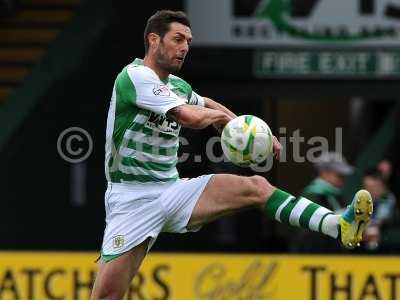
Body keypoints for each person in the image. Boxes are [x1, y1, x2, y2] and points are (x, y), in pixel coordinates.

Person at [90, 10, 374, 299]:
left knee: (256, 187)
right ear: (153, 40)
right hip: (132, 200)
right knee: (107, 296)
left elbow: (206, 103)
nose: (184, 47)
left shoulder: (177, 86)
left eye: (188, 41)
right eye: (177, 39)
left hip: (171, 190)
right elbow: (190, 116)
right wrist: (225, 122)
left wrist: (250, 129)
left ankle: (338, 225)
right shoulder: (135, 76)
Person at [289, 152, 353, 253]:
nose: (342, 180)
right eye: (339, 175)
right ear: (324, 172)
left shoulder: (338, 197)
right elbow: (306, 232)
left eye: (343, 176)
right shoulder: (311, 195)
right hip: (313, 255)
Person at [362, 168, 397, 250]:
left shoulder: (387, 198)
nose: (368, 191)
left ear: (382, 186)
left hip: (390, 245)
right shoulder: (364, 199)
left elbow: (378, 222)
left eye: (372, 187)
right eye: (366, 187)